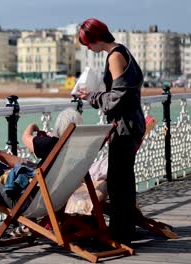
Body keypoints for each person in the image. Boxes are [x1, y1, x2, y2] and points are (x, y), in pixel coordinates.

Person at [76, 18, 145, 245]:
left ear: (96, 38)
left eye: (87, 43)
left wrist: (92, 96)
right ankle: (125, 231)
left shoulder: (114, 56)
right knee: (123, 179)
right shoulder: (123, 52)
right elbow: (121, 94)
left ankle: (121, 234)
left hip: (125, 127)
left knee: (118, 181)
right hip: (131, 123)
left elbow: (116, 99)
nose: (88, 48)